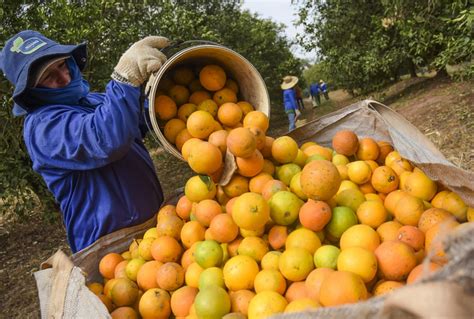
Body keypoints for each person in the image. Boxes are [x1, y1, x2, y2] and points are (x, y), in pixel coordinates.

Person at [0, 30, 169, 253]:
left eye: (61, 65)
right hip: (110, 250)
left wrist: (166, 89)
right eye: (49, 76)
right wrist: (125, 78)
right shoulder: (43, 127)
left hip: (156, 231)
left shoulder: (95, 101)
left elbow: (144, 118)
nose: (64, 77)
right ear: (32, 90)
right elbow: (105, 138)